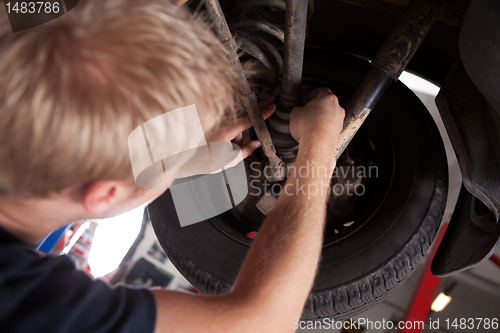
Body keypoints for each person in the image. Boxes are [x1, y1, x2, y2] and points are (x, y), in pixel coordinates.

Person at [0, 1, 345, 332]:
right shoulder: (31, 308)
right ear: (104, 193)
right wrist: (319, 150)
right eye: (166, 159)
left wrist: (164, 163)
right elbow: (261, 324)